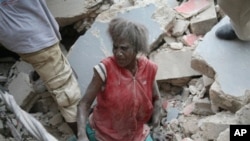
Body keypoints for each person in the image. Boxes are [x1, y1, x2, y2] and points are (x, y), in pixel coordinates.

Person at [0, 0, 81, 136]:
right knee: (67, 94)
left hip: (17, 36)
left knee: (54, 76)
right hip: (34, 35)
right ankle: (83, 134)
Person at [77, 17, 162, 141]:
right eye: (115, 47)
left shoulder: (148, 69)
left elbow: (157, 100)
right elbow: (83, 104)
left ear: (136, 49)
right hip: (104, 134)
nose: (118, 53)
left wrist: (156, 128)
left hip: (136, 135)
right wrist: (81, 135)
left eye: (124, 48)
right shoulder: (105, 69)